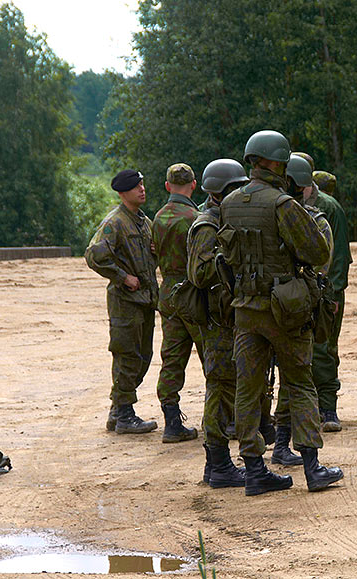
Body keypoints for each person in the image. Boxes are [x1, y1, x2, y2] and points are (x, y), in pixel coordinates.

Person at [219, 130, 343, 496]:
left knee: (248, 388)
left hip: (245, 309)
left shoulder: (229, 203)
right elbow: (318, 252)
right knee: (300, 382)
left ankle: (254, 470)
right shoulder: (282, 204)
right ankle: (312, 468)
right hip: (284, 309)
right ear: (278, 162)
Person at [187, 158, 249, 488]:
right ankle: (220, 464)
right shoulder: (207, 225)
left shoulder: (223, 219)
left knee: (227, 389)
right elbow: (199, 274)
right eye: (236, 188)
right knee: (220, 389)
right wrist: (229, 262)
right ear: (219, 192)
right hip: (218, 322)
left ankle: (217, 465)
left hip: (228, 318)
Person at [270, 153, 333, 466]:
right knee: (297, 379)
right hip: (295, 308)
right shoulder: (312, 220)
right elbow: (321, 262)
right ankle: (286, 446)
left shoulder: (273, 211)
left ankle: (274, 446)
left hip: (268, 305)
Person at [85, 169, 159, 435]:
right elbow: (94, 255)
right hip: (125, 301)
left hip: (146, 300)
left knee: (143, 356)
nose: (142, 189)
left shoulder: (144, 222)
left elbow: (147, 260)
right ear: (122, 192)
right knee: (127, 356)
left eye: (142, 184)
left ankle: (118, 411)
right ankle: (125, 414)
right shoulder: (115, 222)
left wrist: (156, 252)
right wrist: (122, 277)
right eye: (136, 186)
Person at [151, 163, 204, 443]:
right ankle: (220, 418)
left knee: (171, 357)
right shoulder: (196, 217)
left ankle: (171, 422)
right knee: (211, 354)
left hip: (167, 292)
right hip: (192, 292)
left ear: (168, 185)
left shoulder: (157, 218)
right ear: (193, 185)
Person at [307, 170, 352, 432]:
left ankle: (328, 407)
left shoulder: (329, 207)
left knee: (323, 350)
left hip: (326, 291)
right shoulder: (286, 202)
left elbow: (340, 256)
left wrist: (332, 294)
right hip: (298, 292)